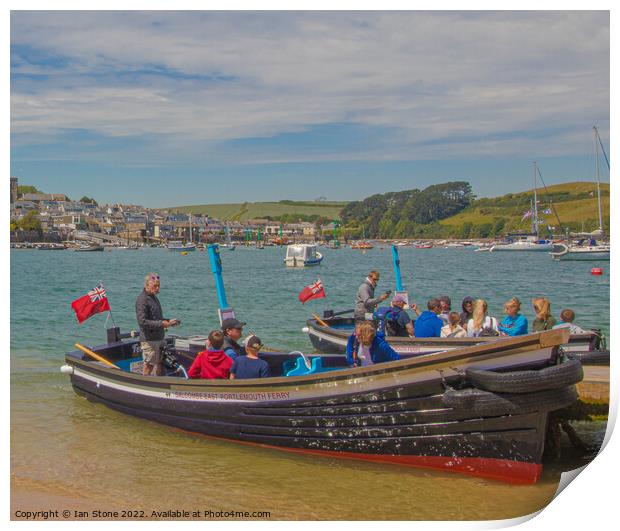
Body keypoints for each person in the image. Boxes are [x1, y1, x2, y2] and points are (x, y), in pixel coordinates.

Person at [135, 272, 180, 376]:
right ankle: (144, 388)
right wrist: (162, 324)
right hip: (149, 340)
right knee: (149, 366)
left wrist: (169, 322)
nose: (157, 288)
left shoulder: (153, 297)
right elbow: (142, 321)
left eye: (158, 285)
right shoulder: (142, 300)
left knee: (161, 363)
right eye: (155, 286)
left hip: (159, 338)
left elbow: (156, 318)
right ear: (147, 285)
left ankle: (161, 383)